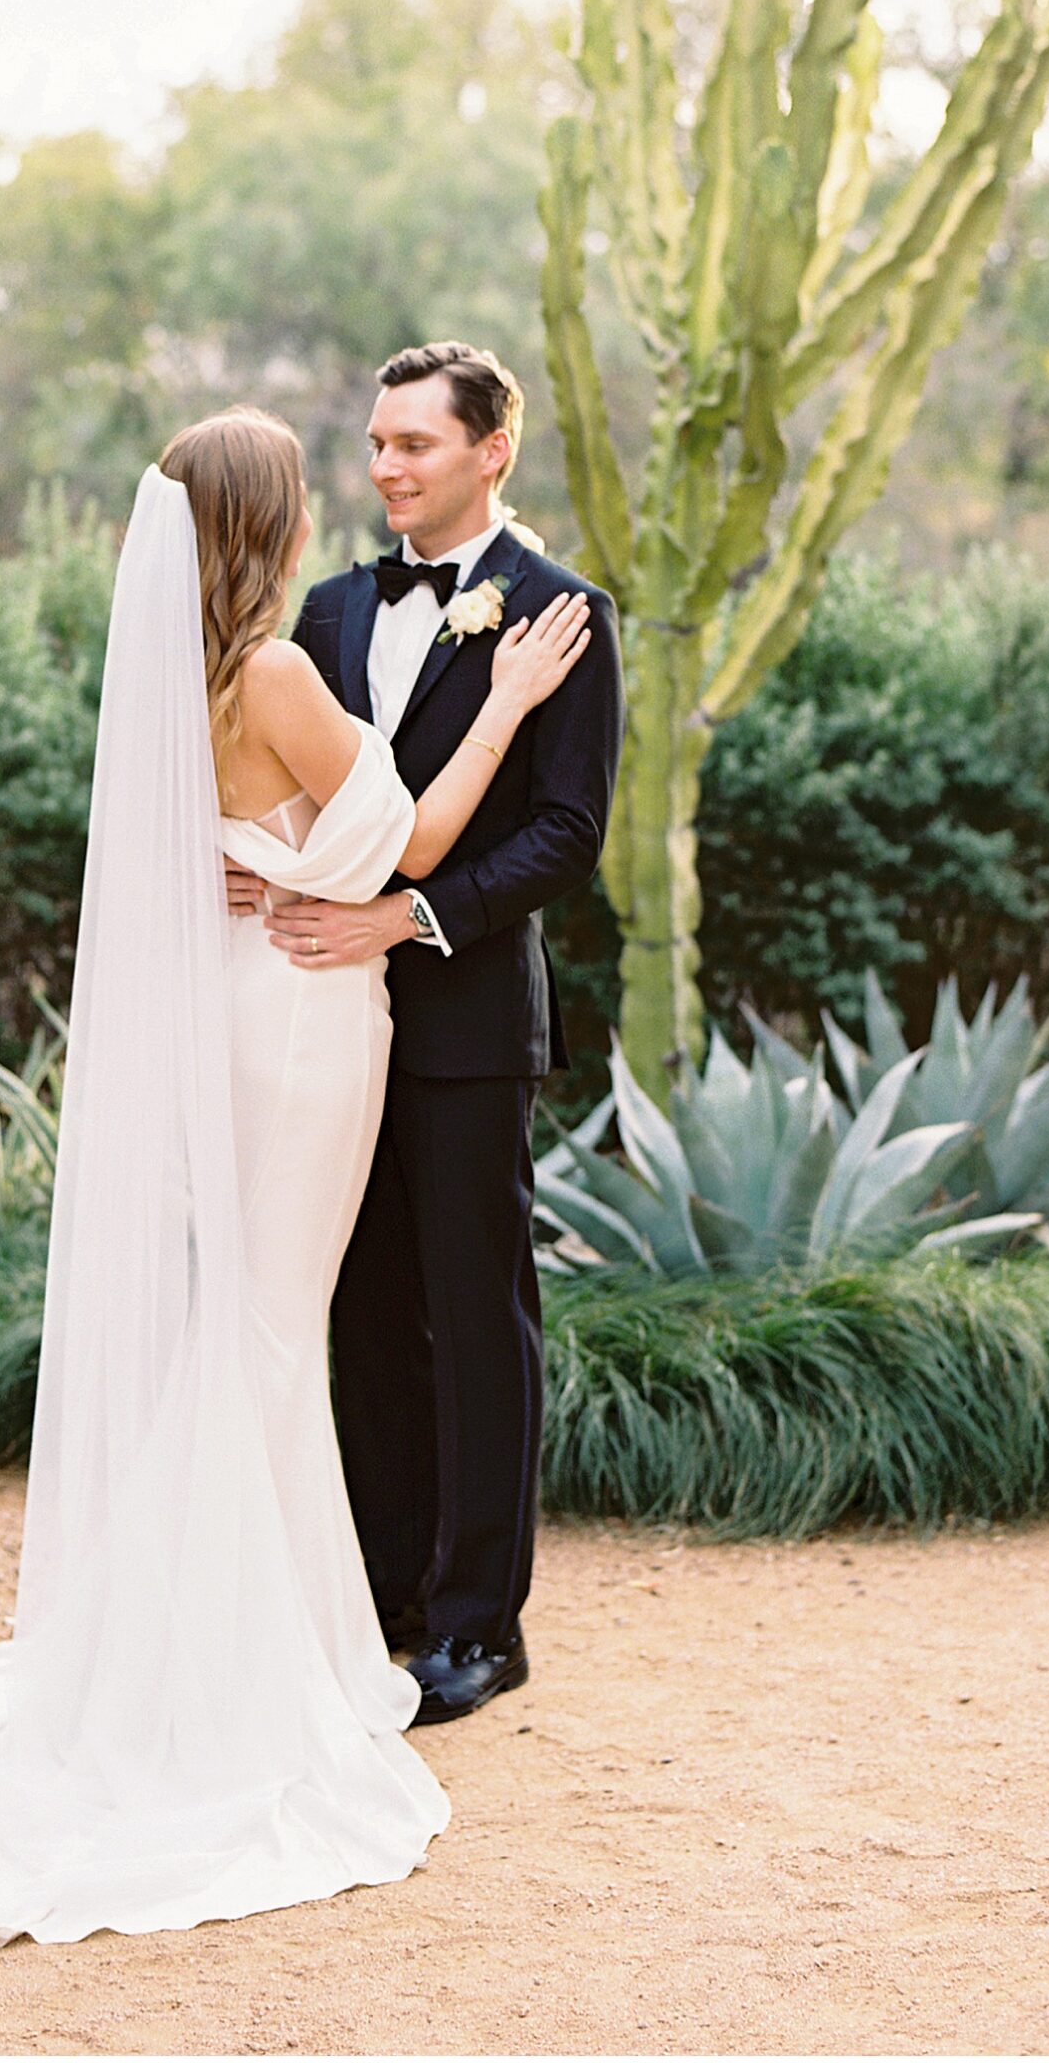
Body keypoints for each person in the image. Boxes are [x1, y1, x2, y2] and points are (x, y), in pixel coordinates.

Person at [0, 406, 591, 1951]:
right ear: (265, 526)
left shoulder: (182, 683)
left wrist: (279, 866)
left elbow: (250, 849)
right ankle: (234, 1670)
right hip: (299, 1027)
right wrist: (502, 705)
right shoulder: (277, 668)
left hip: (246, 1010)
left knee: (256, 1329)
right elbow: (406, 839)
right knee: (272, 1334)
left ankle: (216, 1640)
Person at [226, 343, 625, 1723]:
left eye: (417, 444)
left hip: (462, 1028)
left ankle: (478, 1626)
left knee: (477, 1318)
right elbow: (313, 807)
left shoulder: (564, 614)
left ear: (492, 450)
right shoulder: (332, 611)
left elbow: (568, 835)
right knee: (364, 1317)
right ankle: (380, 1602)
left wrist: (408, 924)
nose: (387, 466)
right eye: (380, 443)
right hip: (320, 1027)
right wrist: (263, 872)